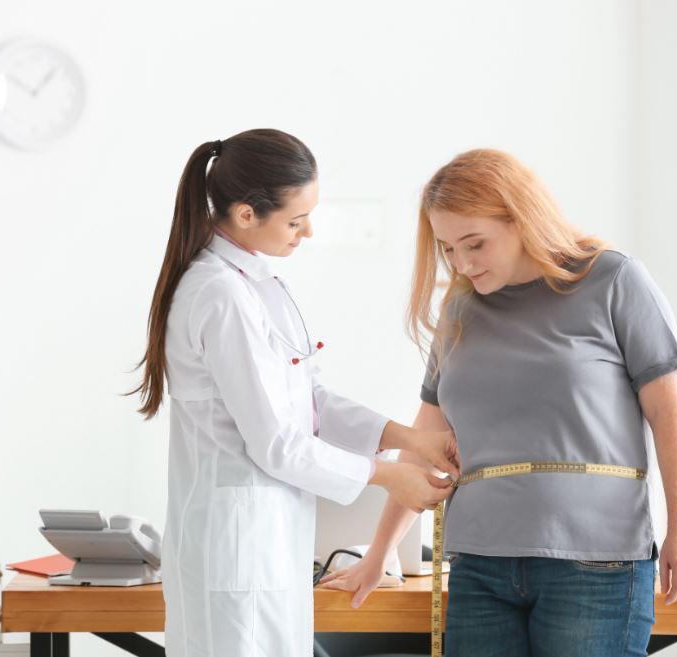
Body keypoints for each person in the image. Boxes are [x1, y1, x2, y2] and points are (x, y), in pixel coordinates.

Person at [321, 148, 677, 657]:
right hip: (480, 565)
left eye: (475, 243)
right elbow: (424, 443)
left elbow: (669, 414)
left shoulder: (612, 280)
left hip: (595, 562)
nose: (461, 263)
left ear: (522, 217)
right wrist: (380, 552)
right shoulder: (460, 308)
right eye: (448, 249)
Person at [131, 128, 460, 657]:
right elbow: (277, 444)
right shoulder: (219, 293)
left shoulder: (258, 285)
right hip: (234, 553)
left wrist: (408, 439)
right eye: (294, 220)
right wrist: (387, 475)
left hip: (267, 545)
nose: (307, 232)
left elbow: (312, 403)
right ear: (244, 214)